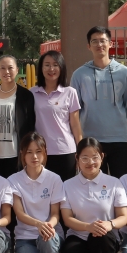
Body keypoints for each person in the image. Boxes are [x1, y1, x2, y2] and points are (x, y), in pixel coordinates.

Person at [58, 138, 127, 253]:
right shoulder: (67, 185)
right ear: (77, 159)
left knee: (100, 237)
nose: (90, 162)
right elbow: (67, 219)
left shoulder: (114, 183)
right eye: (84, 158)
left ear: (102, 157)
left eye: (95, 157)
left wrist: (109, 224)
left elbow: (123, 217)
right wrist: (88, 227)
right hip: (78, 235)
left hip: (105, 236)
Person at [70, 26, 127, 178]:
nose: (99, 44)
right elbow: (75, 110)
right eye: (94, 41)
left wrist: (121, 127)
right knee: (93, 184)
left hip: (119, 140)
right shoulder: (79, 75)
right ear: (89, 46)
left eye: (103, 41)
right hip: (91, 140)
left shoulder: (124, 73)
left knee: (122, 183)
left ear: (110, 43)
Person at [0, 54, 35, 253]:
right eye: (3, 68)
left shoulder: (25, 95)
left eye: (11, 68)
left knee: (14, 201)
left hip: (15, 157)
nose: (7, 72)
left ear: (17, 70)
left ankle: (12, 241)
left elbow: (30, 126)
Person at [8, 132, 64, 253]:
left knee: (48, 237)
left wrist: (48, 226)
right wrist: (38, 224)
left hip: (50, 233)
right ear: (22, 154)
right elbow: (19, 214)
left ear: (45, 153)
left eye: (38, 151)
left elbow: (55, 214)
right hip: (25, 236)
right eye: (29, 152)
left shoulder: (54, 179)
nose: (34, 156)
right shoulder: (13, 180)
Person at [31, 50, 83, 182]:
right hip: (41, 152)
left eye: (55, 65)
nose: (51, 69)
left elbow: (75, 125)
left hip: (65, 151)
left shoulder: (70, 92)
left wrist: (81, 150)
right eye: (47, 65)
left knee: (65, 189)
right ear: (41, 68)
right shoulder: (32, 93)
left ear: (61, 67)